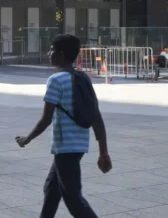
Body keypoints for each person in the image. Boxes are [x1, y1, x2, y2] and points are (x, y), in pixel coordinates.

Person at [16, 34, 112, 218]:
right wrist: (103, 151)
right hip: (77, 145)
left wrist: (27, 139)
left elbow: (46, 118)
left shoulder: (56, 80)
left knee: (73, 199)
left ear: (60, 54)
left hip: (65, 146)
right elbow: (96, 117)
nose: (48, 53)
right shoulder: (82, 78)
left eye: (51, 49)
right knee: (51, 189)